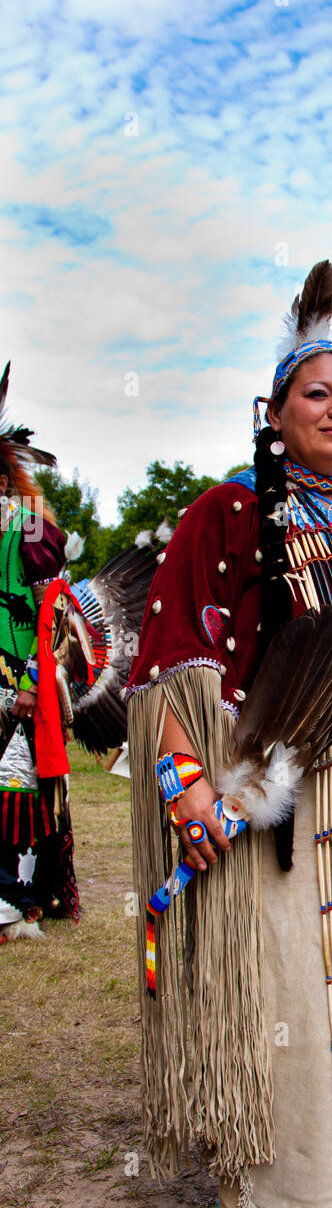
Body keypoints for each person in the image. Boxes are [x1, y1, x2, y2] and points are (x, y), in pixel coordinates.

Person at [125, 263, 332, 1208]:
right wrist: (189, 785)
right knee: (298, 999)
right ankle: (298, 1192)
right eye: (318, 393)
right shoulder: (224, 514)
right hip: (286, 818)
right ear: (273, 411)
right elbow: (169, 660)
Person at [0, 364, 79, 943]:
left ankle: (17, 898)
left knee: (14, 789)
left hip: (16, 689)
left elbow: (51, 613)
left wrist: (30, 681)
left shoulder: (27, 532)